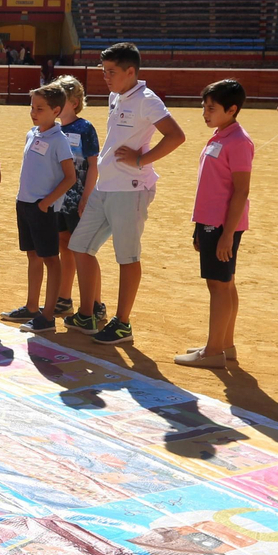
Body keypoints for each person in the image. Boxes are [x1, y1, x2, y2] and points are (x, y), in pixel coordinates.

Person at [64, 42, 186, 345]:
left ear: (131, 72)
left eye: (111, 72)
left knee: (127, 257)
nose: (106, 77)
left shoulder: (147, 100)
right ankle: (89, 313)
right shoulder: (116, 96)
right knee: (80, 247)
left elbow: (176, 135)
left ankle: (123, 323)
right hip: (106, 186)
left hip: (130, 189)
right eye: (104, 71)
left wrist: (142, 160)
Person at [175, 79, 253, 370]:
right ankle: (224, 344)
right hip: (211, 223)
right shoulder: (221, 135)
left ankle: (212, 351)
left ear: (232, 110)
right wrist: (199, 226)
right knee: (225, 283)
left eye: (211, 108)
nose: (205, 113)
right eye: (204, 107)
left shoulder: (238, 141)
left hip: (222, 226)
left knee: (218, 286)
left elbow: (241, 190)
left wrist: (227, 235)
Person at [1, 85, 76, 332]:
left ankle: (47, 316)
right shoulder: (32, 134)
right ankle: (31, 307)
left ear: (56, 110)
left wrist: (45, 203)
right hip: (24, 204)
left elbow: (70, 177)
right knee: (32, 255)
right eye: (32, 107)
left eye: (40, 108)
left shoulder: (59, 140)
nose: (33, 112)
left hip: (43, 208)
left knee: (51, 260)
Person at [53, 74, 100, 318]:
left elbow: (93, 165)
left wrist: (86, 197)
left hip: (77, 200)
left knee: (85, 251)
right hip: (59, 199)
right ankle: (64, 298)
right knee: (64, 246)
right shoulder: (54, 128)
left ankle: (96, 304)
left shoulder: (85, 128)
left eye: (63, 98)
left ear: (75, 101)